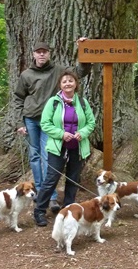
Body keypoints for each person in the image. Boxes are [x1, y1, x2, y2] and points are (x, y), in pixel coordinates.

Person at [13, 39, 90, 213]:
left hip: (53, 123)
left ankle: (51, 197)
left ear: (49, 54)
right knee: (34, 157)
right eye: (38, 51)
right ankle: (39, 193)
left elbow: (80, 72)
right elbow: (18, 98)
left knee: (49, 158)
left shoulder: (59, 71)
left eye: (44, 51)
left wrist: (83, 51)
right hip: (31, 119)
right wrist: (19, 122)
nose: (41, 54)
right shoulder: (26, 75)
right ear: (33, 54)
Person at [33, 70, 96, 226]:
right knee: (51, 179)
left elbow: (91, 123)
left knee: (73, 179)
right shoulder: (53, 102)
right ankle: (39, 211)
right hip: (57, 147)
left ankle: (68, 209)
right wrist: (62, 134)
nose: (68, 83)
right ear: (60, 85)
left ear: (76, 84)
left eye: (70, 81)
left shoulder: (82, 102)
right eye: (64, 81)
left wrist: (82, 132)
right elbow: (45, 124)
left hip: (77, 147)